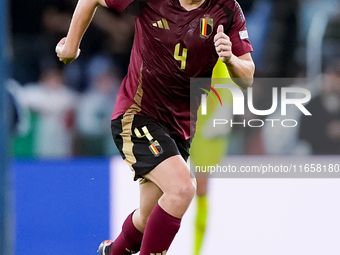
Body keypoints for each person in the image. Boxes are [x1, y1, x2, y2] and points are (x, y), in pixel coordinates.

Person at [56, 0, 255, 254]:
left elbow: (247, 76)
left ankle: (112, 251)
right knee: (182, 189)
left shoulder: (227, 9)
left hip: (179, 128)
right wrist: (71, 48)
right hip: (137, 115)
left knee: (146, 218)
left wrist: (229, 60)